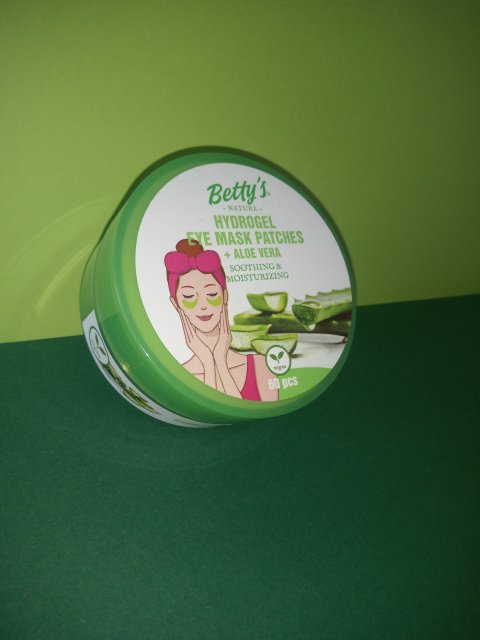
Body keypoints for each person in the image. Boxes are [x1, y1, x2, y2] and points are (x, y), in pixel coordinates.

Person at [164, 239, 277, 401]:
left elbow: (241, 410)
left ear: (225, 295)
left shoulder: (261, 365)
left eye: (211, 294)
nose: (203, 306)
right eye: (189, 296)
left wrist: (221, 362)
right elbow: (206, 410)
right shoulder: (179, 376)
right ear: (176, 304)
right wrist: (208, 363)